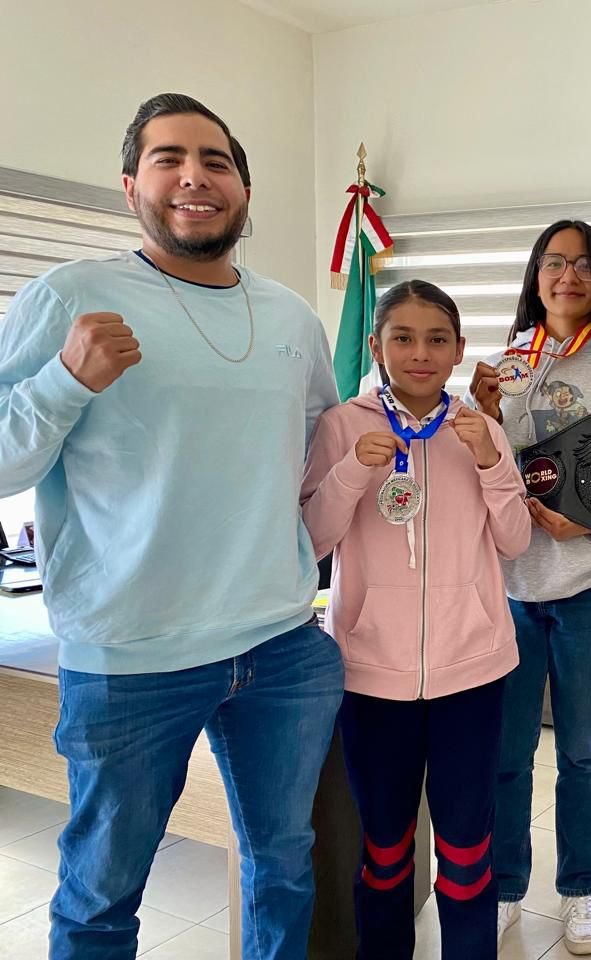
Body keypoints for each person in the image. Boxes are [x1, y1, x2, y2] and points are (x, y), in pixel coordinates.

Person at [0, 92, 344, 957]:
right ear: (131, 186)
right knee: (101, 896)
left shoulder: (293, 317)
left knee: (283, 867)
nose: (195, 177)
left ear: (244, 190)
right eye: (169, 159)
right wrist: (64, 383)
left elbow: (316, 462)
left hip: (281, 647)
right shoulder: (68, 297)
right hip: (130, 656)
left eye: (215, 161)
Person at [301, 280, 530, 959]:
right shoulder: (342, 426)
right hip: (371, 675)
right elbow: (311, 540)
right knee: (384, 850)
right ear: (376, 346)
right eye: (403, 338)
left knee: (466, 852)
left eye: (437, 339)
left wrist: (491, 463)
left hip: (473, 673)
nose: (420, 353)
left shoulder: (480, 430)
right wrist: (349, 472)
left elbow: (515, 540)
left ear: (459, 350)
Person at [470, 220, 591, 955]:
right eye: (554, 263)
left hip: (590, 588)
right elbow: (482, 473)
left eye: (584, 264)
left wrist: (586, 525)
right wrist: (484, 415)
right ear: (535, 275)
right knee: (506, 754)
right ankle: (504, 888)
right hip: (510, 591)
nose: (568, 276)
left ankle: (580, 889)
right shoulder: (503, 365)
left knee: (583, 752)